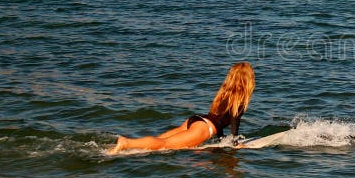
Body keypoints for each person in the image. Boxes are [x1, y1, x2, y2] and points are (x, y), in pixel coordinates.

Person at [109, 62, 255, 153]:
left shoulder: (224, 94)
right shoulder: (239, 101)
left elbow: (219, 119)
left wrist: (222, 139)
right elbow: (234, 122)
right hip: (204, 129)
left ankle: (132, 146)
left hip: (196, 120)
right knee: (165, 145)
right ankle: (126, 142)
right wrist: (235, 144)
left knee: (160, 140)